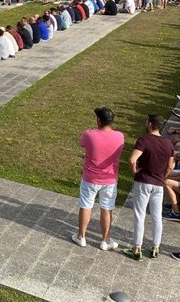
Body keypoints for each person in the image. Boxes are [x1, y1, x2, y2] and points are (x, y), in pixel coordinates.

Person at [122, 114, 175, 261]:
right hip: (158, 184)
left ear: (150, 124)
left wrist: (135, 170)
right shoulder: (168, 144)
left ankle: (137, 248)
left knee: (140, 215)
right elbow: (170, 165)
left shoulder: (144, 140)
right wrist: (164, 175)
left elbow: (132, 159)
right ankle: (155, 248)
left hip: (143, 182)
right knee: (157, 216)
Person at [71, 107, 124, 251]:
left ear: (99, 120)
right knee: (107, 208)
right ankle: (105, 240)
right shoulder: (119, 136)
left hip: (90, 178)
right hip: (110, 179)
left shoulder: (89, 134)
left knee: (86, 205)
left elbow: (82, 144)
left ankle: (81, 236)